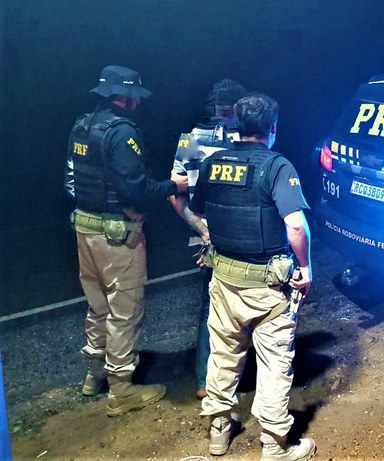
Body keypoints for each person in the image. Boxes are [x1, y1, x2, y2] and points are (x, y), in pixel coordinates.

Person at [189, 93, 316, 459]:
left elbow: (202, 214)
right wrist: (305, 268)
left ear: (236, 125)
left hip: (224, 281)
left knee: (223, 355)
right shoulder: (277, 167)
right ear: (272, 128)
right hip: (268, 288)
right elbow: (295, 226)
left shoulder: (213, 164)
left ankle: (218, 432)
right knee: (274, 363)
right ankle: (274, 445)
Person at [64, 65, 189, 416]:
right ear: (127, 97)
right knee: (124, 311)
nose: (138, 103)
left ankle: (94, 375)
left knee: (97, 306)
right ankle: (121, 390)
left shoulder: (82, 125)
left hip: (85, 229)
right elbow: (137, 189)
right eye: (136, 96)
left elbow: (71, 180)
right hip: (116, 236)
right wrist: (175, 186)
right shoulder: (122, 133)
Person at [168, 79, 247, 400]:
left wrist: (201, 230)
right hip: (239, 238)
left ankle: (206, 380)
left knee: (210, 308)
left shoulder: (190, 139)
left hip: (207, 240)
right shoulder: (245, 139)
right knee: (246, 305)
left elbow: (175, 195)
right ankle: (232, 379)